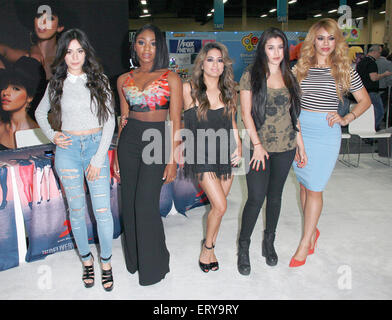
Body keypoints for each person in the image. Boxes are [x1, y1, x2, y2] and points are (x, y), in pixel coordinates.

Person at [35, 29, 115, 290]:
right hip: (68, 151)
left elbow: (110, 120)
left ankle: (106, 262)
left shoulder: (99, 80)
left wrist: (98, 158)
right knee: (77, 212)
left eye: (79, 51)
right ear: (63, 55)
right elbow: (40, 112)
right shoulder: (56, 83)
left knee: (103, 212)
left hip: (96, 150)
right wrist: (53, 135)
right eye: (69, 52)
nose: (74, 57)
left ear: (86, 52)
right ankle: (86, 261)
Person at [289, 18, 371, 267]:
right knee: (303, 185)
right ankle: (312, 230)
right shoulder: (299, 68)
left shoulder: (344, 69)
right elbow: (290, 104)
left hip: (326, 134)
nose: (325, 43)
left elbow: (364, 100)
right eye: (321, 38)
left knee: (315, 187)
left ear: (337, 41)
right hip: (301, 132)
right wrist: (294, 132)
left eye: (331, 38)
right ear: (313, 40)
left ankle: (305, 242)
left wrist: (347, 117)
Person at [114, 24, 182, 286]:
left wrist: (173, 159)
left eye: (153, 43)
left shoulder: (171, 77)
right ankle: (135, 261)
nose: (147, 48)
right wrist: (118, 154)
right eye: (141, 42)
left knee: (145, 205)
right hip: (129, 140)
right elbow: (123, 119)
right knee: (129, 203)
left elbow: (175, 121)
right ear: (134, 46)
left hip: (157, 140)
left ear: (160, 47)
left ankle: (155, 265)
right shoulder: (123, 80)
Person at [236, 28, 306, 275]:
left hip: (286, 146)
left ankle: (269, 243)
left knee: (275, 196)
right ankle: (243, 247)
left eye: (280, 47)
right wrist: (256, 145)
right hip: (258, 148)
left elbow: (294, 113)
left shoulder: (290, 75)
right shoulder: (251, 75)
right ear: (263, 49)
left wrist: (300, 145)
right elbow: (245, 114)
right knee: (255, 198)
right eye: (271, 47)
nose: (276, 53)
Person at [182, 42, 241, 273]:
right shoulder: (190, 89)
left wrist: (239, 147)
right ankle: (207, 247)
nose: (215, 65)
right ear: (202, 63)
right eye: (210, 59)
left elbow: (233, 122)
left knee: (218, 209)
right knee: (221, 205)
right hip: (201, 155)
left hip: (226, 154)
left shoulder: (229, 90)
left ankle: (211, 247)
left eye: (219, 60)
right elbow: (176, 120)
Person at [0, 56, 42, 149]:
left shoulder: (36, 136)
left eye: (16, 89)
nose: (6, 92)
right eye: (5, 86)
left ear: (30, 97)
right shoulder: (2, 127)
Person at [356, 45, 392, 130]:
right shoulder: (372, 63)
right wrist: (385, 74)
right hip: (372, 92)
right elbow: (374, 77)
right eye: (379, 53)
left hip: (362, 91)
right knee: (379, 112)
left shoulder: (361, 62)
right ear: (374, 52)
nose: (380, 55)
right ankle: (372, 130)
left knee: (367, 113)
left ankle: (365, 131)